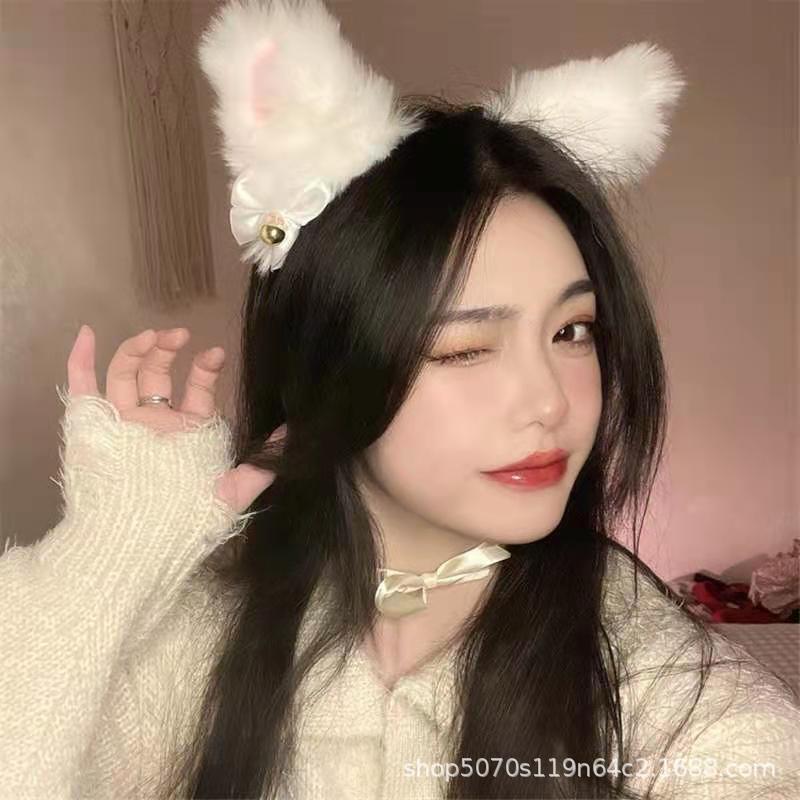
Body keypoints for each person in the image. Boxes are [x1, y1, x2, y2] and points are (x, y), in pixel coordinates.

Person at [2, 1, 799, 798]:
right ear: (330, 367)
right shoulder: (210, 633)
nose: (549, 402)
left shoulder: (626, 642)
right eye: (464, 348)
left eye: (572, 331)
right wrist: (109, 553)